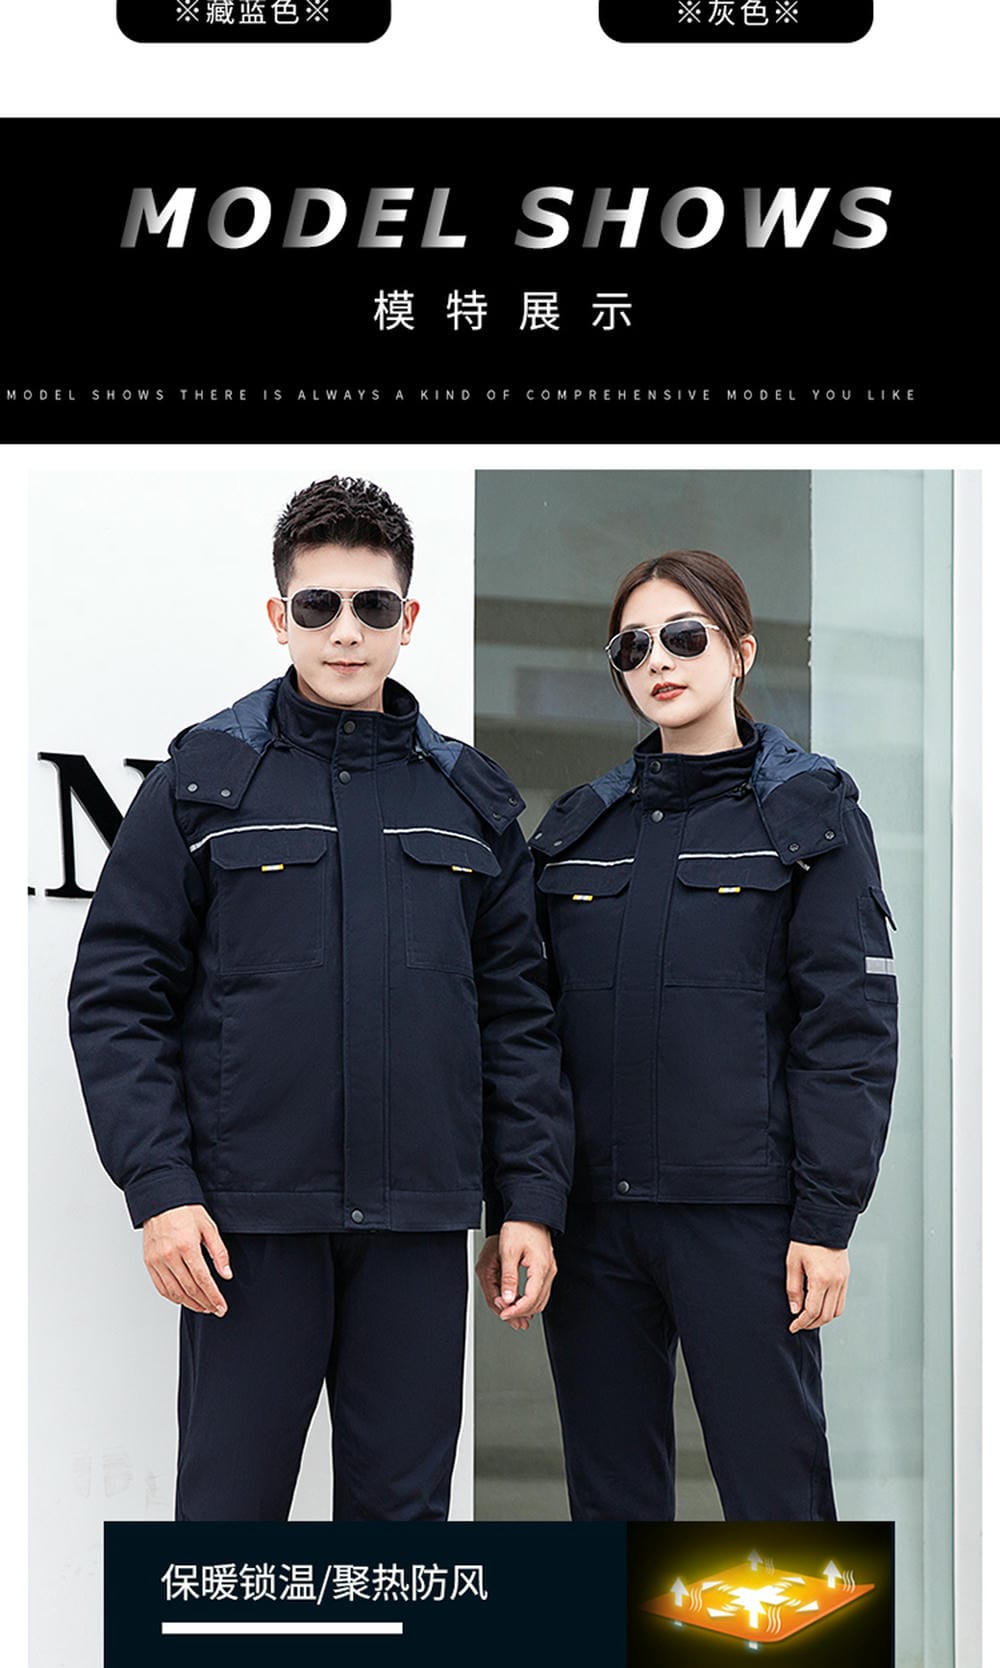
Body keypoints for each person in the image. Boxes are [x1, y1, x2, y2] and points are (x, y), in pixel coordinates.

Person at [69, 473, 573, 1522]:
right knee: (228, 1522)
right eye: (320, 604)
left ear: (408, 620)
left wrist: (527, 1199)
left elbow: (518, 1019)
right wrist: (159, 1188)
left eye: (373, 606)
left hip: (416, 1226)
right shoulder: (204, 784)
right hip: (246, 1228)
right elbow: (119, 995)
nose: (347, 631)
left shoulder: (469, 803)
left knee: (403, 1535)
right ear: (279, 615)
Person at [476, 549, 897, 1522]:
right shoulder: (577, 830)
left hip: (743, 1223)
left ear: (740, 650)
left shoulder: (810, 817)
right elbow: (526, 1033)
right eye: (632, 646)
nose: (657, 660)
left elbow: (849, 1032)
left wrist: (824, 1221)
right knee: (609, 1504)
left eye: (682, 636)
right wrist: (525, 1204)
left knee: (776, 1497)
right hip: (595, 1225)